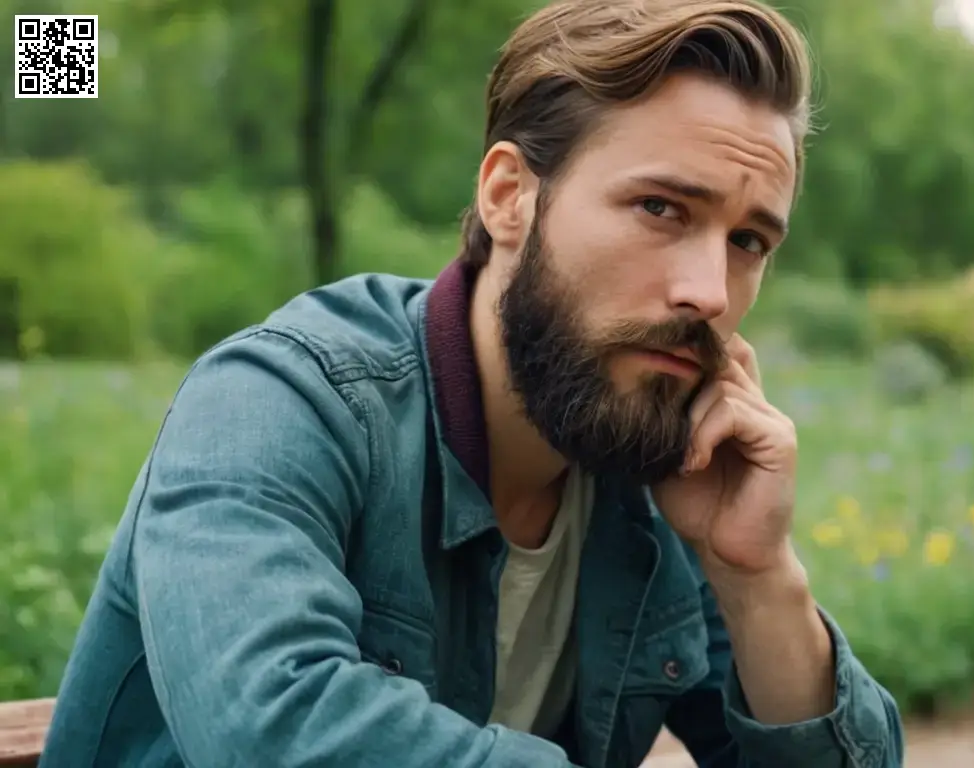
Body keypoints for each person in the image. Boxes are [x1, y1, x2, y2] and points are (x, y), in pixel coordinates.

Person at [41, 0, 905, 765]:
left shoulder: (652, 459)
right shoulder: (277, 401)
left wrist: (757, 576)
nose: (710, 294)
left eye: (748, 242)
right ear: (509, 197)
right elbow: (271, 734)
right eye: (661, 209)